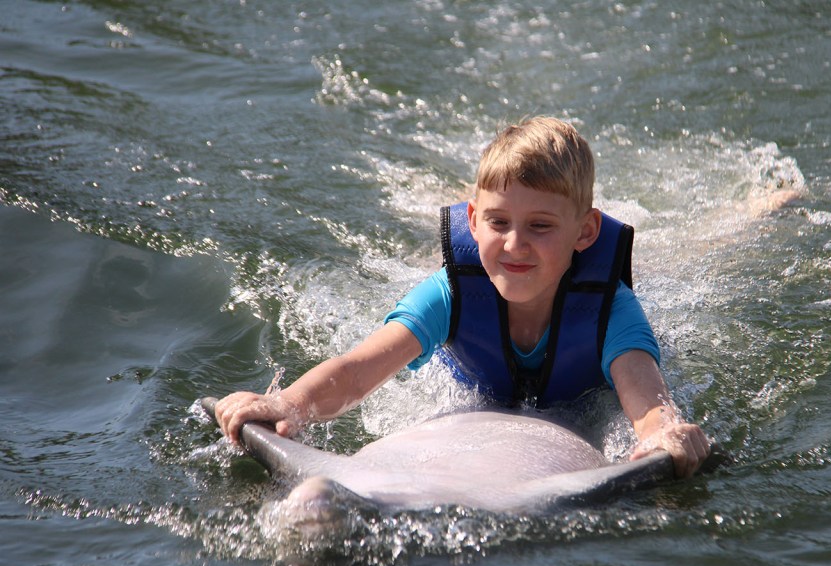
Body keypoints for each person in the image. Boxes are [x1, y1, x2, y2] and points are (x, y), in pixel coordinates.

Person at [215, 117, 711, 479]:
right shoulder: (452, 293)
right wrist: (287, 403)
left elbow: (648, 404)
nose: (515, 245)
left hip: (582, 397)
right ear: (471, 222)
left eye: (540, 226)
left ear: (585, 232)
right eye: (498, 222)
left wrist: (664, 433)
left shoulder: (609, 309)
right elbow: (356, 370)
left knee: (695, 250)